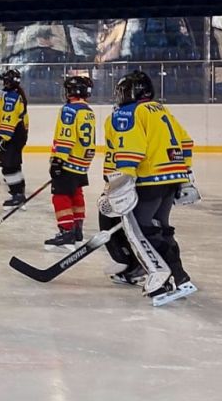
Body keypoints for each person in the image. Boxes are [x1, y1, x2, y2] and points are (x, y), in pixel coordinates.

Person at [102, 69, 198, 306]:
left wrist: (121, 183)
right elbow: (186, 142)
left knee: (139, 232)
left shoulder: (128, 112)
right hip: (171, 178)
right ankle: (179, 276)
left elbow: (131, 150)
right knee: (160, 229)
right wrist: (185, 174)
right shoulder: (161, 110)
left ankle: (159, 277)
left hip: (148, 180)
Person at [44, 75, 96, 249]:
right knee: (76, 193)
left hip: (68, 160)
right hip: (82, 162)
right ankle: (77, 229)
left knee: (60, 195)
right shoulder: (88, 110)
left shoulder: (69, 109)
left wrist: (58, 160)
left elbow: (67, 135)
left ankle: (67, 231)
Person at [0, 69, 29, 207]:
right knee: (14, 166)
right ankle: (19, 193)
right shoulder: (14, 95)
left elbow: (9, 118)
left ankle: (17, 194)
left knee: (9, 167)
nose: (3, 83)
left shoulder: (12, 97)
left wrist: (2, 138)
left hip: (12, 135)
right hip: (16, 135)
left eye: (5, 80)